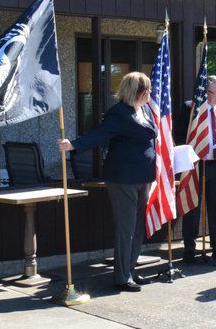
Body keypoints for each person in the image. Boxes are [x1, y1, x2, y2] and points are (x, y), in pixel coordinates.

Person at [58, 71, 156, 292]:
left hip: (143, 177)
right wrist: (73, 144)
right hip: (123, 178)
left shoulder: (144, 110)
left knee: (138, 227)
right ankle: (121, 277)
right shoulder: (119, 113)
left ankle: (129, 269)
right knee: (126, 227)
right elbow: (100, 134)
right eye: (147, 89)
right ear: (136, 91)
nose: (150, 92)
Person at [181, 75, 216, 263]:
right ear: (204, 92)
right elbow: (181, 135)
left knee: (215, 208)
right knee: (192, 208)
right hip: (196, 165)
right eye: (211, 93)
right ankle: (190, 250)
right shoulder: (191, 108)